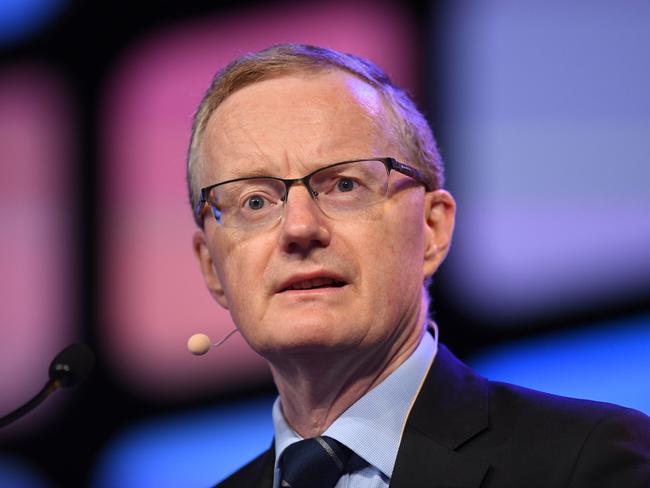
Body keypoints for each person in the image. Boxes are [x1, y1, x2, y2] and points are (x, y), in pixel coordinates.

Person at [188, 44, 650, 488]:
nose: (299, 228)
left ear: (432, 229)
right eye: (254, 200)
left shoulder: (588, 461)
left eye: (344, 185)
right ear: (212, 267)